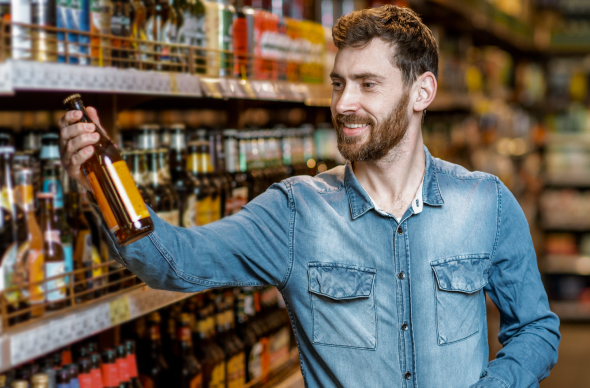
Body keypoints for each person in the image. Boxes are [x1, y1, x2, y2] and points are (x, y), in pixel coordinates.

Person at [59, 5, 560, 387]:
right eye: (339, 83)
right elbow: (174, 262)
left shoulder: (485, 203)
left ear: (422, 93)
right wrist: (103, 184)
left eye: (368, 84)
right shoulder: (295, 211)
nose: (344, 103)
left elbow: (536, 329)